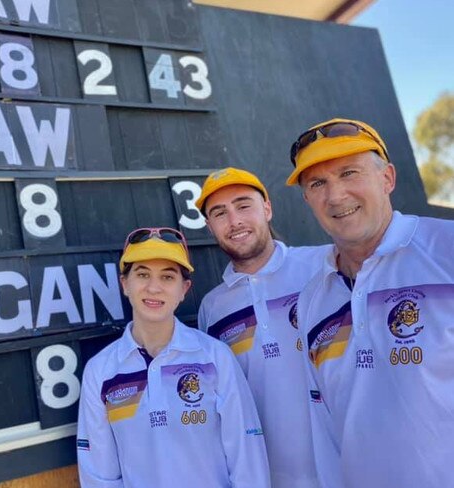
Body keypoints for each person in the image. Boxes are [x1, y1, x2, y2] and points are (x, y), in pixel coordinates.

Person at [287, 117, 454, 488]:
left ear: (388, 178)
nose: (336, 196)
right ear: (307, 199)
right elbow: (327, 427)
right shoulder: (314, 299)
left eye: (349, 173)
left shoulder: (446, 251)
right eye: (318, 183)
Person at [77, 227, 270, 487]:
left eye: (167, 277)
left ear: (184, 289)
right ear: (125, 284)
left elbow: (246, 455)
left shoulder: (214, 357)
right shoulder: (100, 371)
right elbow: (100, 474)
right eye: (143, 274)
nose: (154, 287)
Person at [195, 167, 329, 488]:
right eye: (220, 213)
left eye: (243, 205)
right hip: (271, 478)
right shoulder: (212, 309)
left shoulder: (324, 265)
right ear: (209, 225)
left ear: (267, 209)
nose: (234, 221)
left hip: (351, 469)